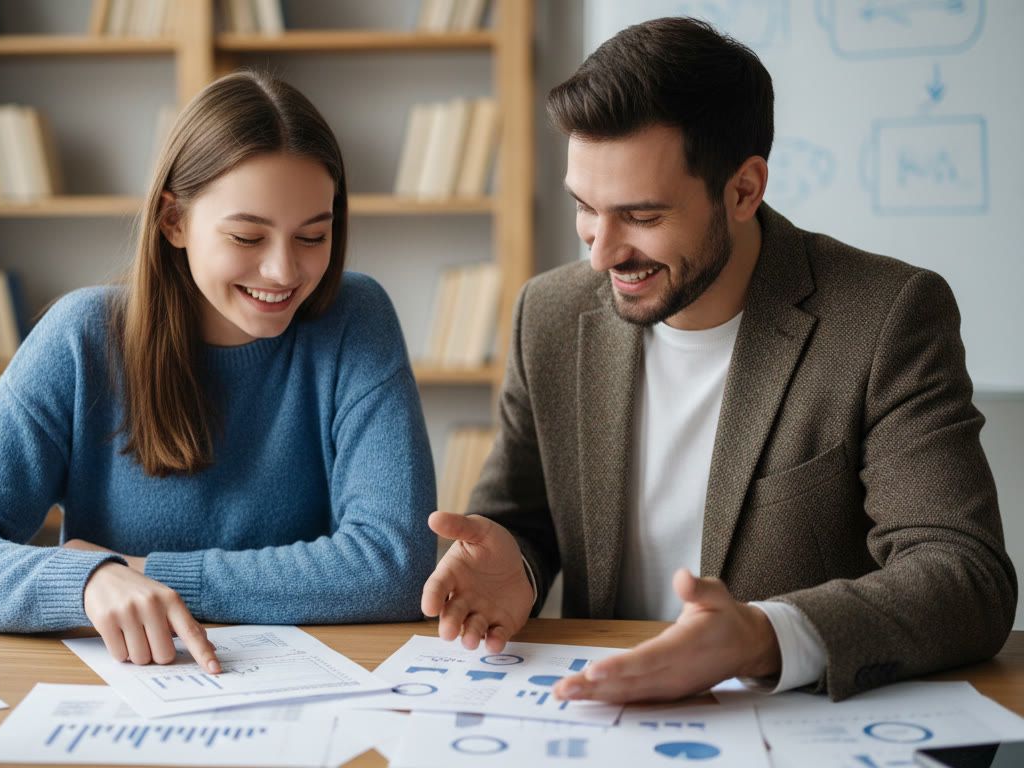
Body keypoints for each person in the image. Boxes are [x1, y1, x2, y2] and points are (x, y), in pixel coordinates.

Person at [421, 17, 1016, 703]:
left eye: (641, 218)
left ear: (743, 189)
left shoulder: (888, 318)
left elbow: (965, 573)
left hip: (796, 725)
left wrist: (766, 636)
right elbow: (520, 518)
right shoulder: (550, 314)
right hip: (608, 720)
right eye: (585, 207)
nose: (600, 253)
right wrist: (516, 566)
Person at [0, 71, 436, 673]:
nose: (284, 270)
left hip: (310, 686)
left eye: (313, 235)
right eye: (247, 236)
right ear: (173, 221)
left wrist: (149, 573)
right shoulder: (82, 338)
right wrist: (90, 582)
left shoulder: (355, 319)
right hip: (132, 684)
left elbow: (394, 566)